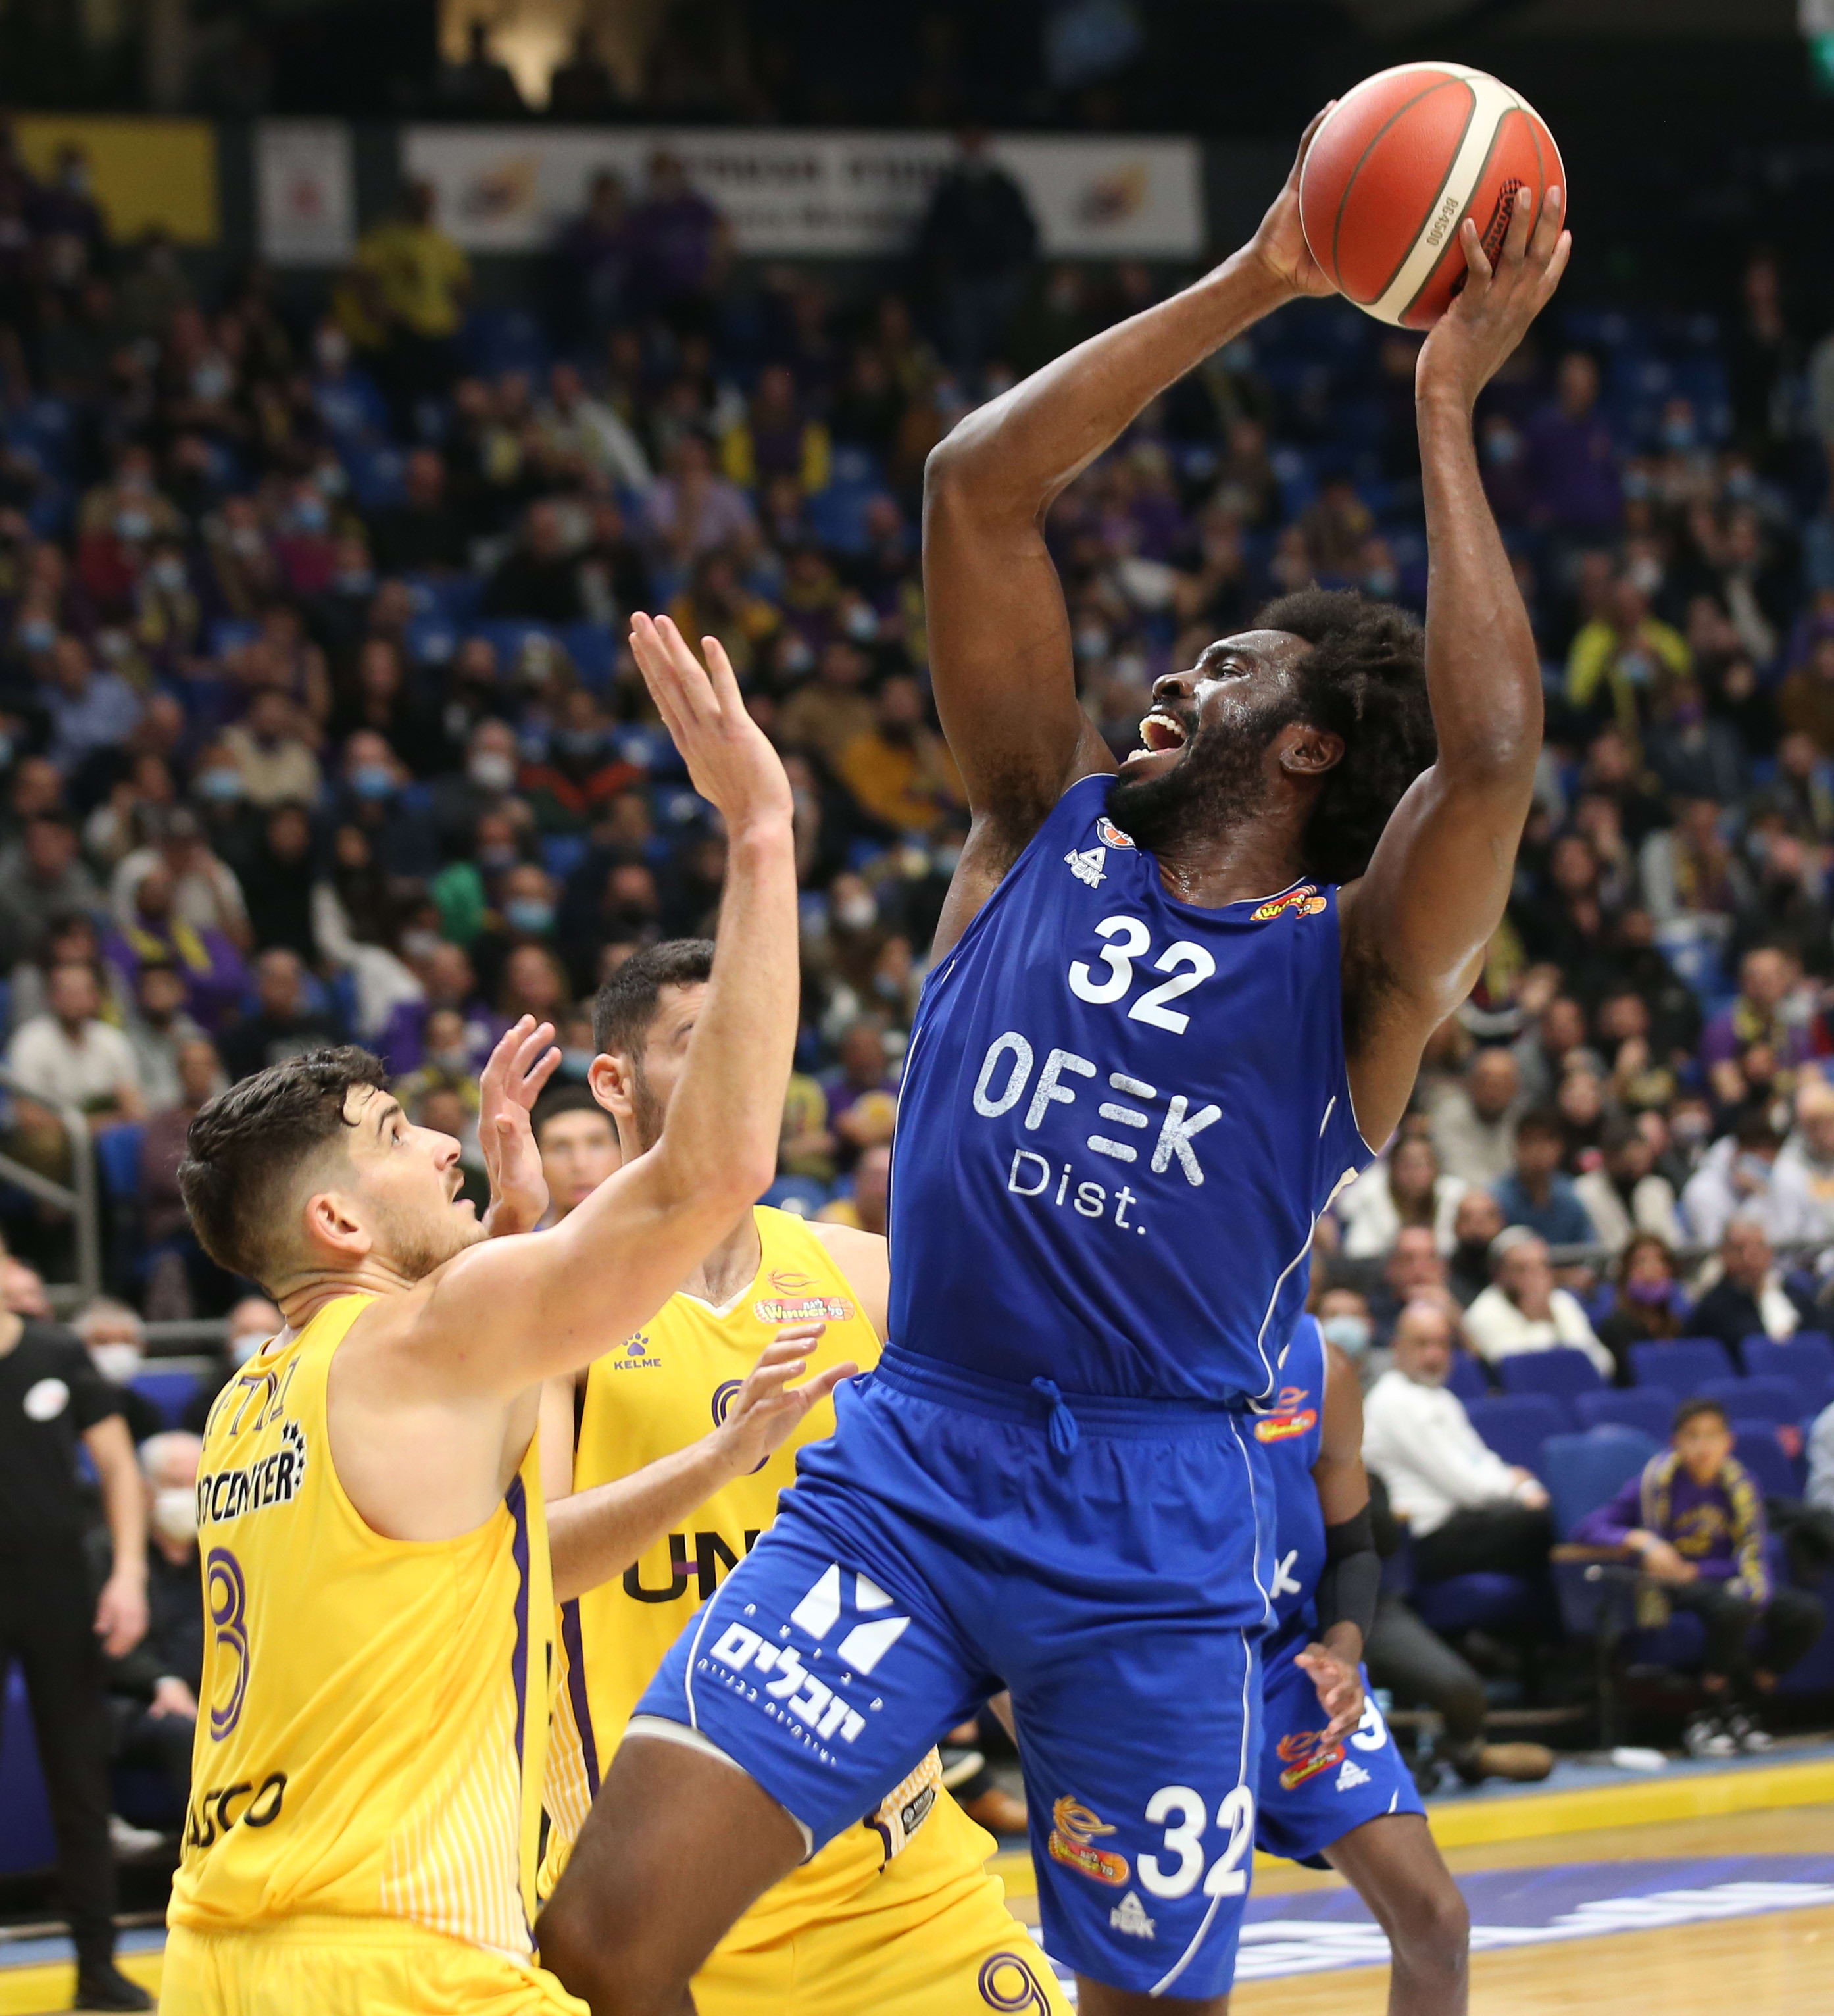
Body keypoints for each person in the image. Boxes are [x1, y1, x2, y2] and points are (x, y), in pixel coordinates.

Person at [537, 132, 1571, 2016]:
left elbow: (1490, 756)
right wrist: (1264, 274)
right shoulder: (1034, 826)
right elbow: (975, 487)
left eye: (1229, 670)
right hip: (916, 1460)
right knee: (606, 1943)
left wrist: (1444, 403)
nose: (1175, 679)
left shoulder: (1351, 978)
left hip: (1158, 1527)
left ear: (1318, 753)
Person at [158, 615, 803, 2016]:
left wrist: (705, 1453)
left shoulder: (259, 1395)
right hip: (397, 1953)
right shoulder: (422, 1340)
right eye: (398, 1133)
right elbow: (717, 1169)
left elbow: (513, 1558)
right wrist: (758, 830)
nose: (444, 1142)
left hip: (222, 1951)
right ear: (337, 1221)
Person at [536, 940, 1069, 2015]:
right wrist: (713, 1461)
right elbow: (524, 1560)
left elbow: (978, 1546)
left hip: (895, 1876)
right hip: (660, 1901)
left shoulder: (866, 1272)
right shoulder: (547, 1304)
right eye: (703, 1042)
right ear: (613, 1081)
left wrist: (1076, 1740)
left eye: (762, 1040)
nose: (747, 1067)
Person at [1252, 1313, 1467, 2015]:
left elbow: (1352, 1549)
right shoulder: (1116, 1352)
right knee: (1168, 1961)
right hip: (1165, 1671)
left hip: (1288, 1665)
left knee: (1435, 1923)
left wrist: (1342, 1653)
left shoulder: (1320, 1366)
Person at [0, 1278, 153, 2009]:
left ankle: (97, 1966)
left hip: (59, 1588)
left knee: (79, 1779)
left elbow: (122, 1467)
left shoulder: (57, 1352)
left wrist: (126, 1572)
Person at [1575, 1398, 1826, 1754]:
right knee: (1733, 1609)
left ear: (1729, 1442)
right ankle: (1711, 1712)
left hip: (1724, 1576)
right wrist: (1641, 1540)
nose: (1702, 1446)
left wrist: (1704, 1570)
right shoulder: (1655, 1482)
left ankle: (1745, 1701)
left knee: (1806, 1614)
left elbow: (1750, 1558)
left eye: (1712, 1436)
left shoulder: (1741, 1485)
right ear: (1676, 1442)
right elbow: (1589, 1527)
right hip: (1673, 1584)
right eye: (1692, 1436)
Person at [1363, 1301, 1556, 1592]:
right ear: (1396, 1347)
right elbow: (1471, 1488)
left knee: (1552, 1523)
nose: (1434, 1355)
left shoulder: (1440, 1397)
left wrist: (1525, 1489)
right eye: (1422, 1344)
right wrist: (1520, 1489)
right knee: (1546, 1523)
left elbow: (1481, 1460)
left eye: (1442, 1345)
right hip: (1427, 1541)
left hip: (1467, 1524)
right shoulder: (1394, 1401)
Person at [109, 1430, 205, 1808]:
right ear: (145, 1491)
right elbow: (105, 1645)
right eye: (175, 1484)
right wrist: (159, 1680)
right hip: (139, 1703)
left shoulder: (230, 1552)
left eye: (198, 1484)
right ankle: (208, 1851)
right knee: (185, 1731)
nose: (188, 1495)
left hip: (222, 1696)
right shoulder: (112, 1555)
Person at [1462, 1227, 1612, 1376]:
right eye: (1522, 1269)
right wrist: (1540, 1320)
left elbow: (1602, 1363)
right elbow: (1520, 1370)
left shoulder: (1562, 1300)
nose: (1536, 1276)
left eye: (1542, 1266)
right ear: (1499, 1274)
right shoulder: (1483, 1312)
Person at [1686, 1214, 1813, 1353]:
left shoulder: (1795, 1294)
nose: (1750, 1256)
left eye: (1759, 1247)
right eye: (1740, 1249)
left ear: (1769, 1252)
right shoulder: (1712, 1308)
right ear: (1724, 1254)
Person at [1335, 1134, 1465, 1259]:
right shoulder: (1369, 1193)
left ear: (1435, 1167)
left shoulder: (1454, 1196)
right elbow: (1359, 1254)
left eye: (1421, 1165)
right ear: (1392, 1167)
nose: (1414, 1173)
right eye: (1407, 1165)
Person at [1487, 1108, 1595, 1249]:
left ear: (1560, 1148)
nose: (1538, 1150)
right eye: (1530, 1141)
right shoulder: (1496, 1199)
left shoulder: (1573, 1194)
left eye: (1547, 1141)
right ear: (1516, 1147)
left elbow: (1590, 1251)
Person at [1429, 1047, 1524, 1190]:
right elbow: (1455, 1169)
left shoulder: (1524, 1118)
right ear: (1470, 1083)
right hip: (1463, 1198)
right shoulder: (1448, 1115)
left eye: (1501, 1083)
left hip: (1513, 1202)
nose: (1493, 1090)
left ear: (1515, 1087)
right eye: (1485, 1081)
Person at [532, 1083, 620, 1224]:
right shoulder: (515, 1243)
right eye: (560, 1148)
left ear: (621, 1153)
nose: (580, 1164)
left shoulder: (659, 1241)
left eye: (596, 1144)